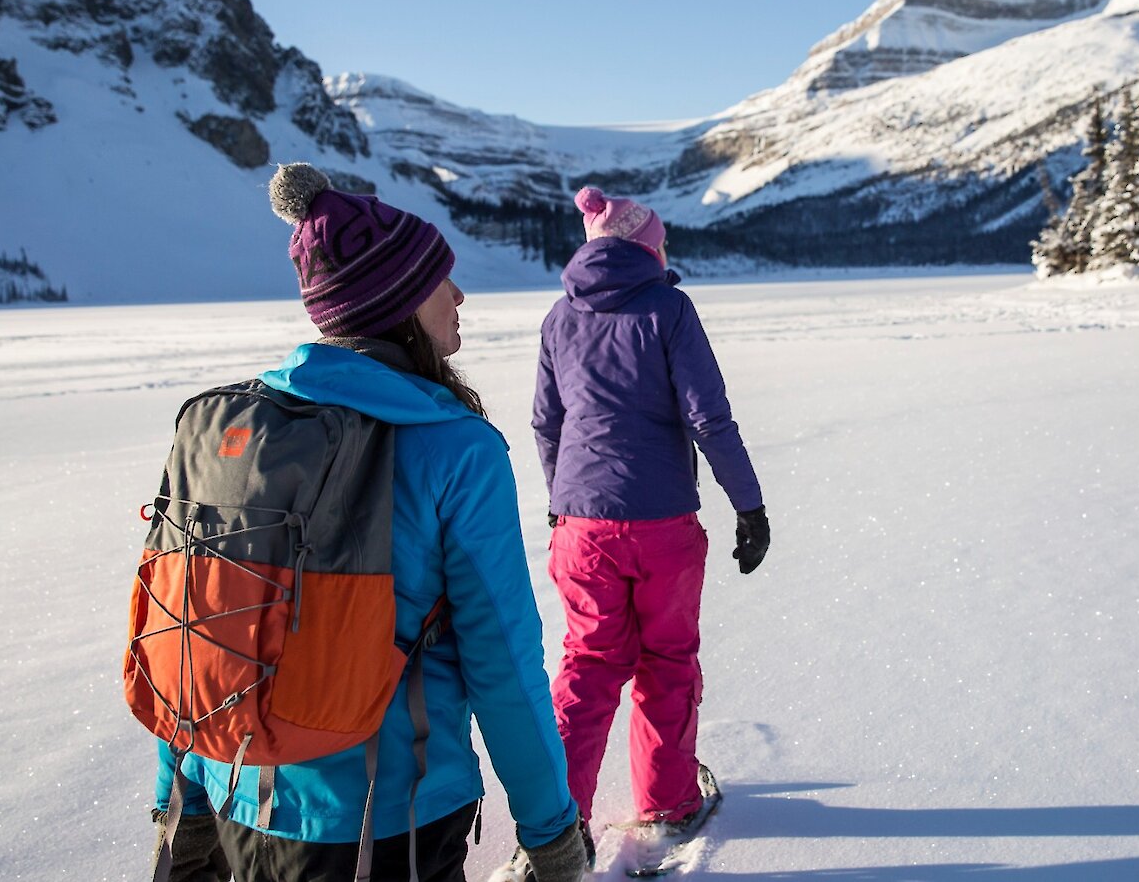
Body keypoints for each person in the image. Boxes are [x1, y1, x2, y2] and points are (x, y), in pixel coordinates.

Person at [147, 163, 588, 882]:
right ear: (400, 302)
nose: (459, 294)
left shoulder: (226, 429)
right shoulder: (453, 448)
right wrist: (550, 831)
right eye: (440, 279)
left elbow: (194, 630)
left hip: (238, 803)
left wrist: (181, 802)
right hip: (391, 825)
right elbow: (503, 661)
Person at [499, 185, 770, 873]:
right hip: (661, 526)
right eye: (662, 243)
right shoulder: (669, 309)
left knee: (587, 667)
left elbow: (544, 422)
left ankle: (561, 827)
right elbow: (709, 416)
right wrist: (749, 505)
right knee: (667, 662)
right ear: (646, 248)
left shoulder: (560, 317)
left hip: (581, 526)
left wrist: (566, 501)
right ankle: (669, 800)